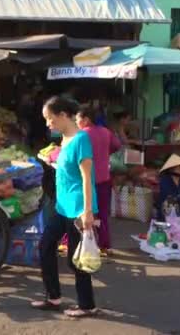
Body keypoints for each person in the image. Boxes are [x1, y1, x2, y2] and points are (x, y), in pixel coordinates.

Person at [31, 96, 100, 318]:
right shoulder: (64, 139)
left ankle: (87, 305)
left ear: (62, 116)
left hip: (78, 207)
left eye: (50, 119)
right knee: (45, 246)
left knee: (76, 258)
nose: (48, 124)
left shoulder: (81, 140)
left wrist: (88, 212)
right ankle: (53, 296)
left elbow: (87, 178)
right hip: (62, 206)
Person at [76, 105, 121, 255]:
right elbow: (117, 145)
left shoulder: (81, 135)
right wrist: (104, 152)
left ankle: (78, 243)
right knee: (102, 214)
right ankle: (104, 245)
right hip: (104, 179)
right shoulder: (106, 132)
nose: (76, 122)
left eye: (78, 119)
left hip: (86, 180)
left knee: (81, 212)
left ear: (86, 119)